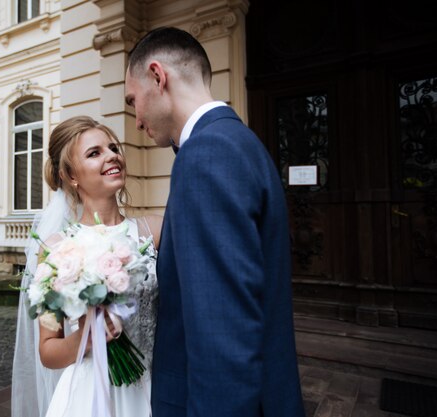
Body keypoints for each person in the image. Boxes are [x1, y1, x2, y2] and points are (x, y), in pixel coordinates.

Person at [125, 27, 305, 417]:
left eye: (132, 100)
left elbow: (222, 335)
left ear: (158, 76)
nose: (136, 119)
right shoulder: (239, 141)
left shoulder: (205, 155)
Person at [11, 116, 162, 417]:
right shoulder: (55, 251)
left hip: (153, 388)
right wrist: (85, 340)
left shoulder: (155, 232)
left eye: (113, 148)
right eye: (95, 153)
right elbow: (48, 350)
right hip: (88, 396)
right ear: (71, 175)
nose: (112, 156)